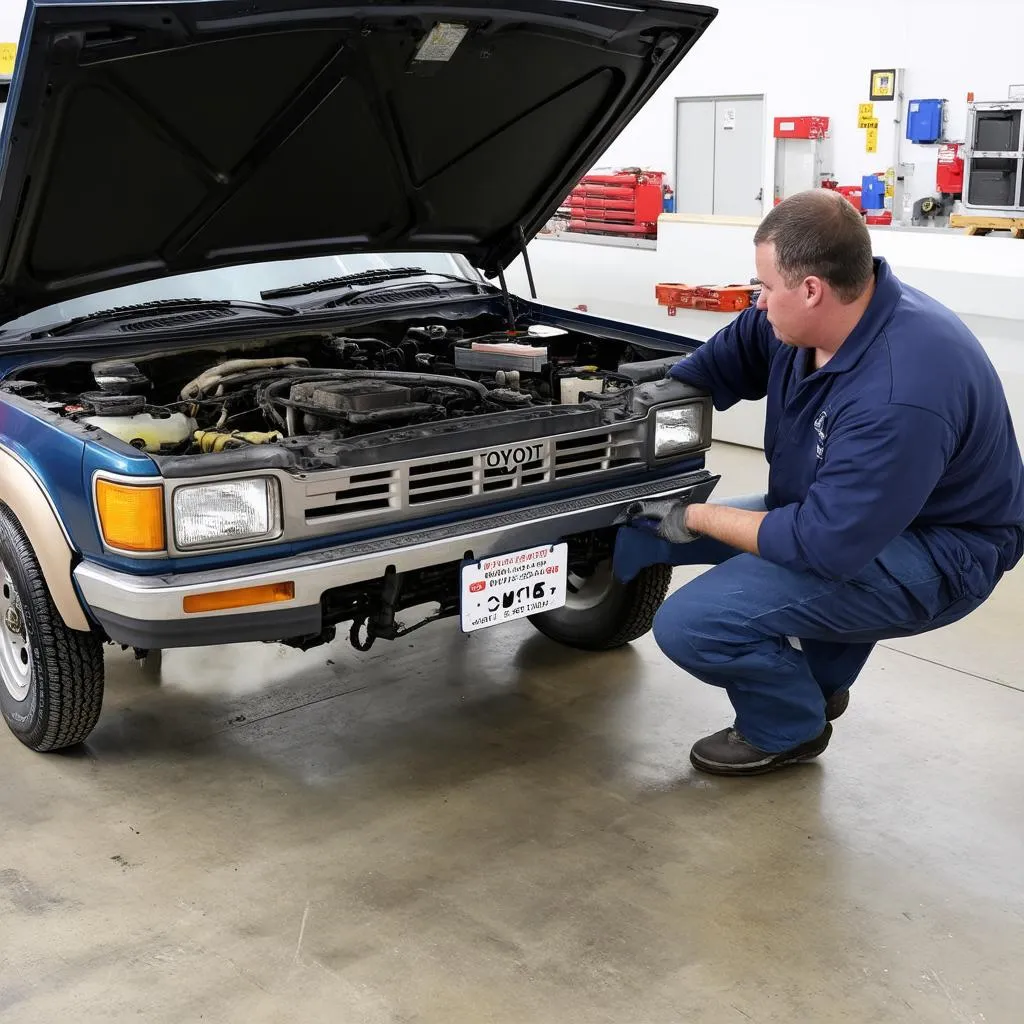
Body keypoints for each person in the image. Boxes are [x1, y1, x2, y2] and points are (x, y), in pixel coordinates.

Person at [615, 189, 1024, 777]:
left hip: (942, 551)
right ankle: (815, 683)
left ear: (811, 289)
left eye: (764, 288)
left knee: (692, 624)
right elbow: (729, 355)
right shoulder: (820, 316)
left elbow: (823, 545)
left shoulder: (898, 391)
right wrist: (663, 393)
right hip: (844, 514)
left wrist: (691, 515)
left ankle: (787, 727)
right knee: (648, 533)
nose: (756, 302)